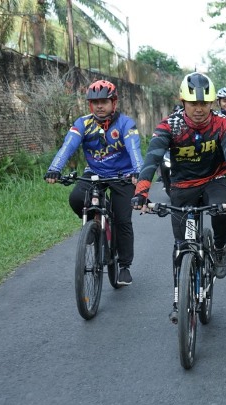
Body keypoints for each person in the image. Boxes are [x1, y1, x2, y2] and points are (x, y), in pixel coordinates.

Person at [130, 72, 226, 323]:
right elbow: (152, 159)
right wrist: (141, 191)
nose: (199, 109)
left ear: (212, 103)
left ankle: (218, 248)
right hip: (183, 186)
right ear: (183, 102)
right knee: (182, 245)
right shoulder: (169, 126)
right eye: (193, 103)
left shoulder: (223, 124)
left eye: (204, 103)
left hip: (216, 179)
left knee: (223, 209)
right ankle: (178, 301)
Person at [44, 79, 143, 286]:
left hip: (123, 175)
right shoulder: (83, 123)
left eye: (104, 102)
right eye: (95, 102)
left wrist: (138, 172)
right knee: (76, 198)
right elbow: (68, 146)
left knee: (123, 220)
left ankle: (124, 266)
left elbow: (134, 149)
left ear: (113, 103)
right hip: (95, 172)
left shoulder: (125, 124)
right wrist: (55, 168)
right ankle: (95, 224)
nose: (99, 106)